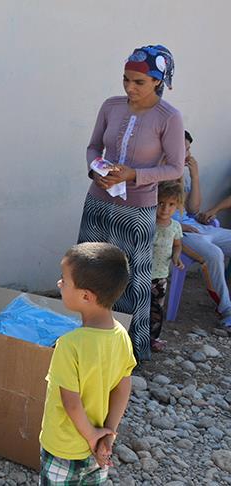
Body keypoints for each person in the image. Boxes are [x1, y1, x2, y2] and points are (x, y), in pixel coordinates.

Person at [78, 45, 184, 361]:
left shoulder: (169, 118)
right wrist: (96, 170)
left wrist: (133, 175)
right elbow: (93, 147)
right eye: (126, 79)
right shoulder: (111, 107)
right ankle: (86, 343)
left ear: (157, 81)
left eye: (138, 82)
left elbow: (175, 167)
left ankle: (127, 352)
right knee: (88, 271)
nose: (129, 88)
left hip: (136, 209)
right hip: (97, 203)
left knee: (130, 279)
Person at [40, 242, 136, 485]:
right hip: (99, 450)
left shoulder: (70, 344)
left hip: (64, 447)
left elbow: (71, 403)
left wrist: (92, 436)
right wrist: (107, 435)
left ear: (86, 296)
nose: (59, 283)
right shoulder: (121, 335)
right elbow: (123, 387)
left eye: (64, 280)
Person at [175, 130, 231, 328]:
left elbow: (193, 208)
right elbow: (154, 217)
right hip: (180, 232)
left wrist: (195, 176)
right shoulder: (158, 176)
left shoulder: (184, 174)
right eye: (184, 149)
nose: (188, 155)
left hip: (196, 227)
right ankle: (226, 310)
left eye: (189, 149)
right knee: (214, 254)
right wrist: (180, 225)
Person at [150, 181, 185, 352]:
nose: (165, 209)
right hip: (141, 274)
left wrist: (176, 257)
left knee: (156, 310)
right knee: (138, 307)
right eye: (161, 203)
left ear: (178, 206)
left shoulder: (175, 227)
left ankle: (153, 339)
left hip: (160, 277)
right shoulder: (148, 222)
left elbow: (177, 245)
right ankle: (132, 337)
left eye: (171, 204)